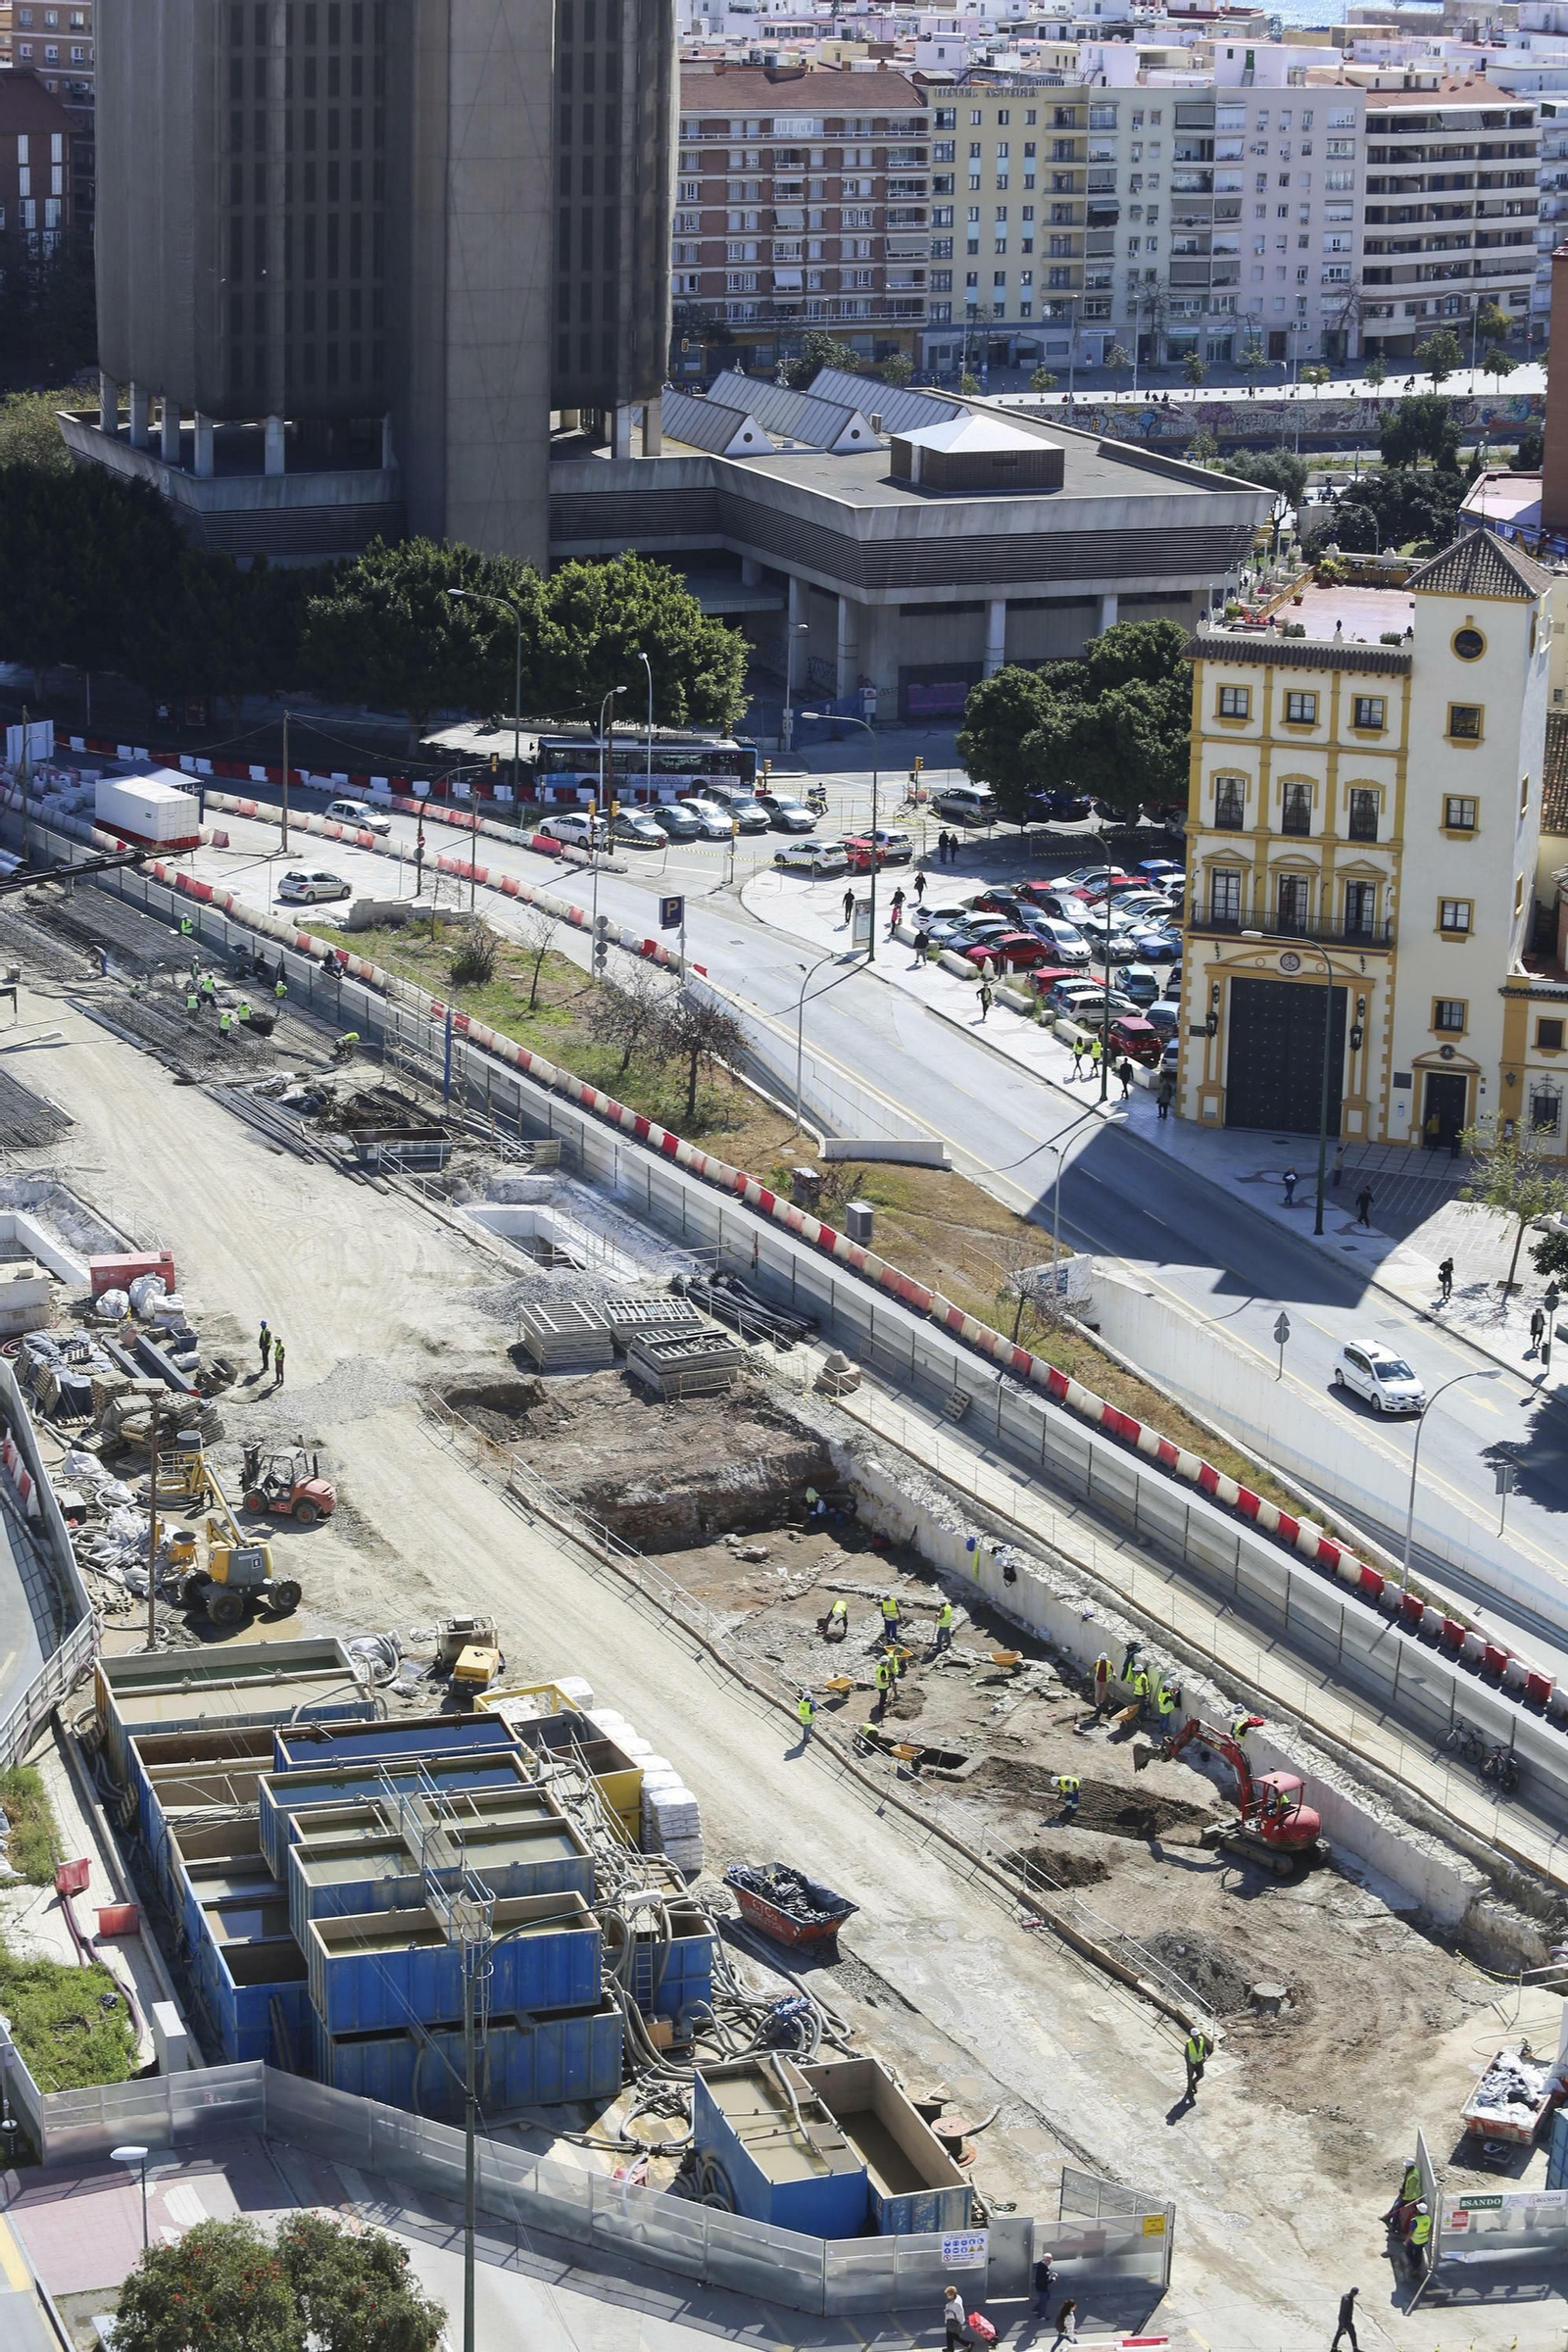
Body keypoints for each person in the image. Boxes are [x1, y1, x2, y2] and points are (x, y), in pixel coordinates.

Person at [1405, 2202, 1432, 2278]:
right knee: (1418, 2253)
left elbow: (1411, 2232)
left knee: (1408, 2253)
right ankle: (1417, 2267)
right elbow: (1430, 2229)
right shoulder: (1428, 2218)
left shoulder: (1415, 2220)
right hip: (1423, 2240)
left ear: (1418, 2211)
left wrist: (1406, 2241)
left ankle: (1414, 2267)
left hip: (1415, 2241)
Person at [1184, 2026, 1209, 2102]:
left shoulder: (1201, 2039)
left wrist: (1204, 2056)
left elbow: (1203, 2048)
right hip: (1191, 2063)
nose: (1198, 2036)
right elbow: (1186, 2054)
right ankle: (1189, 2090)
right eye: (1196, 2035)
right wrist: (1188, 2063)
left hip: (1199, 2062)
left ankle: (1193, 2083)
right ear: (1193, 2036)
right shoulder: (1189, 2043)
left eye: (1198, 2035)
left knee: (1201, 2075)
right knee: (1190, 2077)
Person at [1331, 2286, 1359, 2352]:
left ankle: (1334, 2348)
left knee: (1340, 2334)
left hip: (1344, 2319)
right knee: (1351, 2333)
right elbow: (1344, 2313)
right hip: (1346, 2321)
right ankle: (1355, 2349)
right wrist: (1343, 2326)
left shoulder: (1345, 2296)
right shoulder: (1347, 2301)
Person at [943, 2285, 969, 2350]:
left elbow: (958, 2314)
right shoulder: (958, 2297)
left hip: (953, 2322)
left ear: (952, 2295)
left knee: (953, 2336)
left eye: (948, 2295)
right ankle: (950, 2348)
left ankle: (968, 2344)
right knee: (950, 2336)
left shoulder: (955, 2304)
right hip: (952, 2321)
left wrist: (947, 2312)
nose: (947, 2296)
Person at [873, 1654, 894, 1720]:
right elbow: (883, 1680)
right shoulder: (882, 1670)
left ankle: (883, 1703)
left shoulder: (879, 1667)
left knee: (883, 1696)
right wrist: (891, 1679)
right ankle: (881, 1711)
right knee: (883, 1698)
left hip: (879, 1684)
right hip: (882, 1686)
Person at [1093, 1650, 1111, 1716]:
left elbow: (1113, 1668)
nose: (1102, 1661)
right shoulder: (1097, 1662)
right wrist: (1089, 1672)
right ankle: (1097, 1704)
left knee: (1103, 1692)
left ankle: (1102, 1702)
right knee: (1098, 1692)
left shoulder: (1109, 1663)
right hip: (1098, 1679)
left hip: (1105, 1680)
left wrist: (1114, 1673)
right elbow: (1092, 1667)